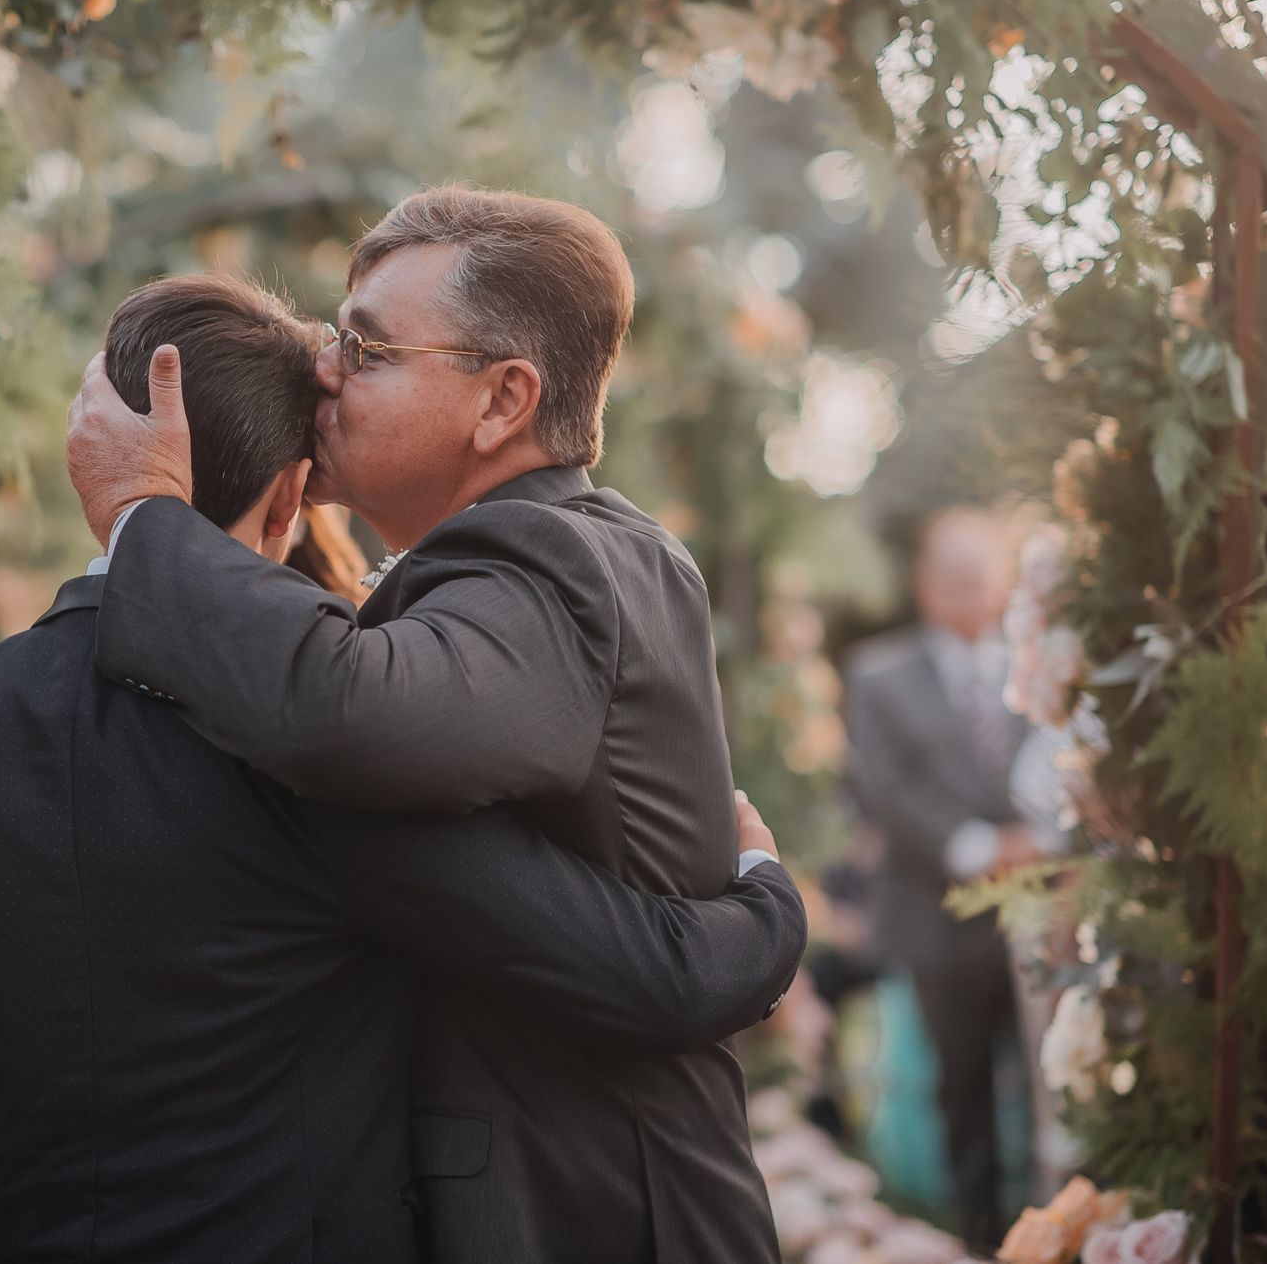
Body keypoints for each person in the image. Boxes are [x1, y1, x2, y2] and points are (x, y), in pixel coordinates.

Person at [0, 274, 806, 1264]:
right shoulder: (313, 759)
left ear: (104, 453)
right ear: (291, 492)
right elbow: (632, 970)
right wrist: (760, 900)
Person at [67, 188, 789, 1262]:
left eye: (366, 348)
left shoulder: (552, 560)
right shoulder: (553, 555)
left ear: (503, 400)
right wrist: (754, 922)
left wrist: (145, 521)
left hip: (584, 1222)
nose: (324, 369)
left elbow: (344, 716)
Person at [841, 508, 1033, 1252]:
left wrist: (1038, 843)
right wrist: (976, 845)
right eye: (951, 572)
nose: (966, 586)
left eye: (980, 571)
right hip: (940, 920)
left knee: (1056, 1090)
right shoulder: (879, 674)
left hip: (1038, 916)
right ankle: (982, 1238)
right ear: (924, 584)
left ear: (1005, 582)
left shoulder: (1042, 664)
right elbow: (883, 786)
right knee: (966, 1096)